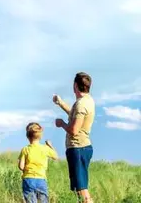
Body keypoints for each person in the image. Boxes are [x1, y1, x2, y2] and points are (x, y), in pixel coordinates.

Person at [53, 72, 95, 203]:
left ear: (75, 86)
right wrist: (60, 103)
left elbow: (74, 130)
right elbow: (74, 115)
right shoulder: (87, 101)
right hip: (83, 148)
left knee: (82, 189)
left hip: (78, 149)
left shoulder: (81, 104)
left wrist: (62, 124)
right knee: (79, 188)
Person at [18, 122, 58, 203]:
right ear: (40, 136)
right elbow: (56, 157)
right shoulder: (45, 148)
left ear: (27, 136)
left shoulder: (25, 149)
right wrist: (50, 145)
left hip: (28, 179)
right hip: (41, 180)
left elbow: (21, 167)